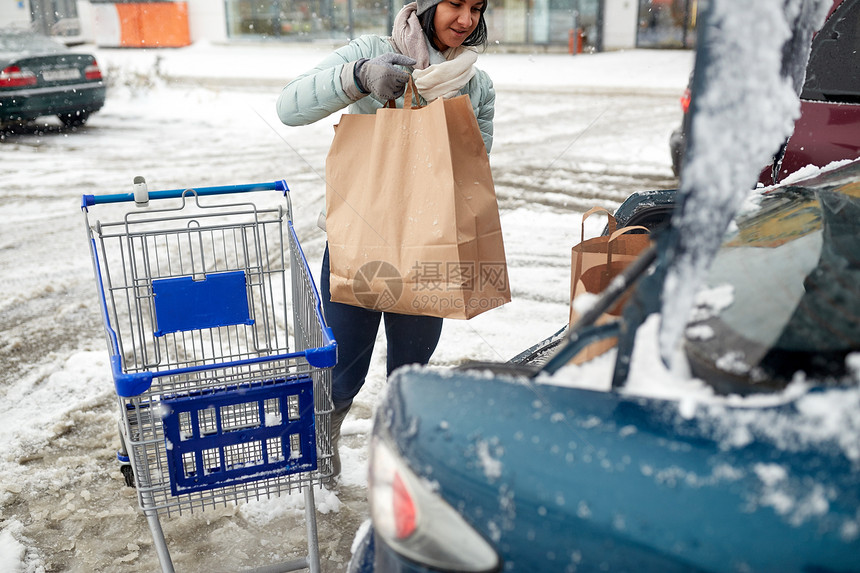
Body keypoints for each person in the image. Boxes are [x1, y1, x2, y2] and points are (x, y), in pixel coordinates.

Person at [276, 0, 495, 481]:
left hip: (431, 243)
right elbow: (288, 106)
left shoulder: (474, 82)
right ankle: (321, 458)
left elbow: (474, 169)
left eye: (476, 8)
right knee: (340, 368)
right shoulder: (373, 51)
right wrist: (358, 77)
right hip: (361, 239)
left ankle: (398, 466)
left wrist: (436, 122)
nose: (465, 20)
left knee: (411, 370)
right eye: (454, 5)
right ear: (424, 7)